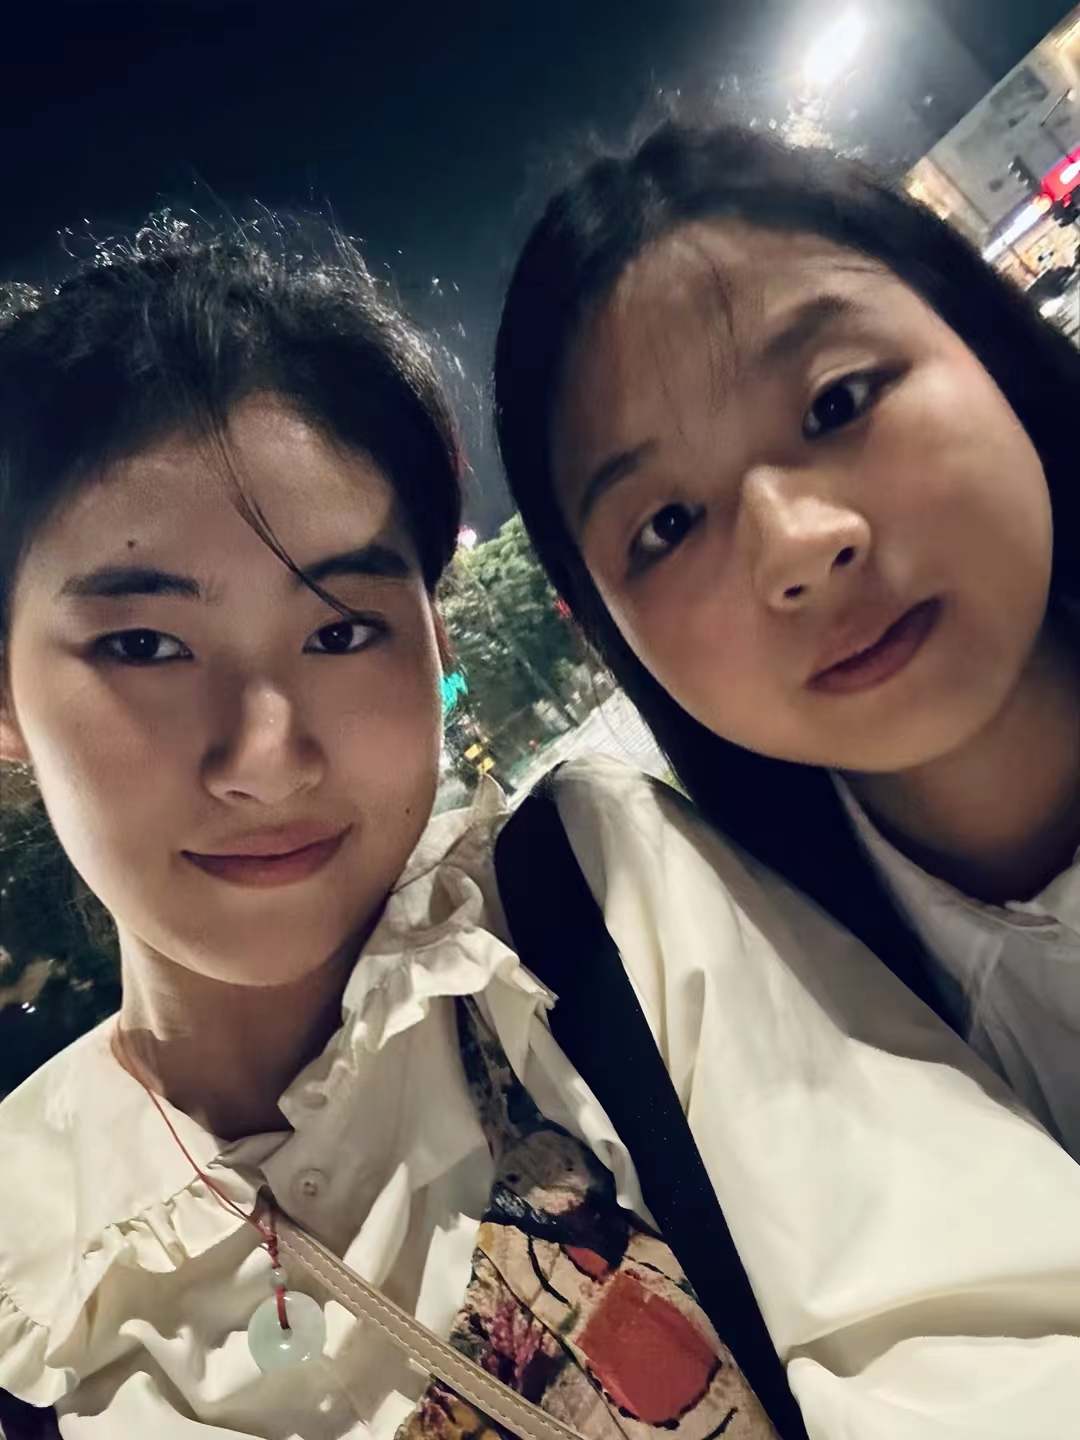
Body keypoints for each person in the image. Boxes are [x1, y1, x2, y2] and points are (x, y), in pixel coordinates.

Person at [1, 215, 1078, 1440]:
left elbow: (981, 1336)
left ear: (433, 636)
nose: (267, 758)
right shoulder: (34, 1280)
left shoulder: (581, 909)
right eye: (145, 646)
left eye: (342, 631)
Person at [494, 120, 1080, 1160]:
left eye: (836, 402)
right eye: (668, 525)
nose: (799, 547)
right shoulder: (737, 1069)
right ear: (607, 627)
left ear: (978, 335)